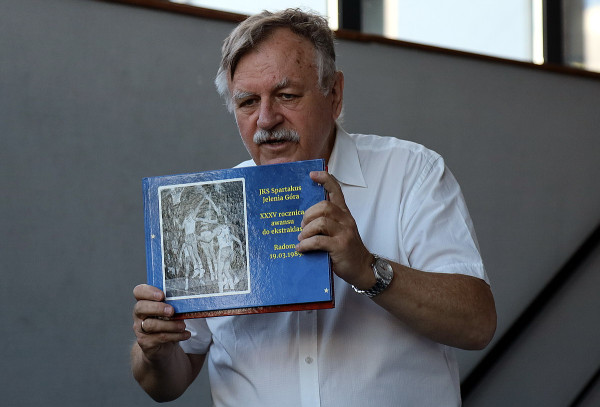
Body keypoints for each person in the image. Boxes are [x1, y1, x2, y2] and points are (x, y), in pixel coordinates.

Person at [131, 8, 496, 406]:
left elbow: (476, 324)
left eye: (287, 96)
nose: (266, 119)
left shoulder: (412, 173)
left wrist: (368, 268)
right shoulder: (210, 207)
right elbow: (166, 382)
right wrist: (156, 351)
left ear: (334, 95)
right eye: (248, 102)